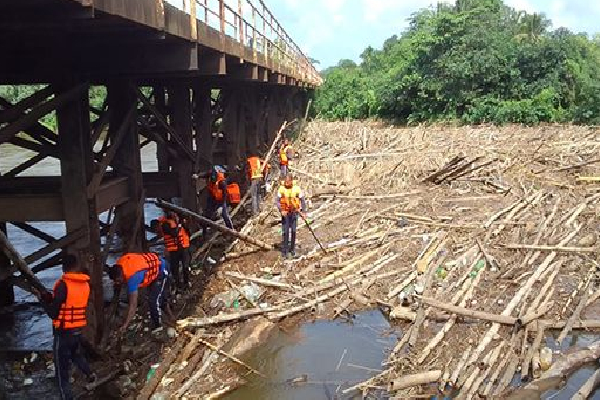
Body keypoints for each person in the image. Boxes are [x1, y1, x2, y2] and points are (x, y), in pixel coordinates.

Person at [40, 254, 95, 400]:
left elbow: (53, 313)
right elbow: (69, 302)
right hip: (77, 330)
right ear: (77, 266)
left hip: (63, 333)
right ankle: (90, 374)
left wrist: (43, 301)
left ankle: (66, 397)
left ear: (63, 268)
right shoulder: (85, 284)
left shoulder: (63, 285)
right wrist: (50, 298)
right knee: (76, 354)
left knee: (61, 373)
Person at [108, 252, 174, 334]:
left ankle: (158, 326)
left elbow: (133, 305)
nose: (118, 283)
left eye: (118, 281)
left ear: (121, 275)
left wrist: (125, 325)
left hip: (161, 270)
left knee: (153, 300)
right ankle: (171, 317)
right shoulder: (121, 262)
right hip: (152, 270)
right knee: (159, 296)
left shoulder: (133, 278)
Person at [155, 212, 191, 291]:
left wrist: (184, 224)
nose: (175, 216)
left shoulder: (181, 223)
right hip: (173, 250)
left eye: (176, 214)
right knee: (175, 268)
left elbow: (188, 232)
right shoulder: (165, 225)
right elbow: (174, 233)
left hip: (184, 247)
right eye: (174, 214)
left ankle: (186, 282)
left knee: (186, 266)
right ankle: (178, 284)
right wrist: (180, 224)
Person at [276, 174, 307, 259]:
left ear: (291, 181)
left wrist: (303, 212)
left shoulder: (297, 189)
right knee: (285, 231)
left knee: (293, 231)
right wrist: (281, 210)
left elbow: (303, 201)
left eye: (288, 182)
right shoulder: (281, 189)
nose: (286, 183)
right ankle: (285, 250)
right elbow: (277, 201)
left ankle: (292, 249)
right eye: (285, 182)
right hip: (285, 213)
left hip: (294, 212)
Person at [203, 165, 234, 237]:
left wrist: (221, 206)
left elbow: (225, 195)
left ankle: (232, 231)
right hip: (213, 197)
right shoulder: (211, 174)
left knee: (225, 215)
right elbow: (205, 174)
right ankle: (205, 233)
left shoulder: (222, 183)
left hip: (221, 199)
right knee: (207, 213)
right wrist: (197, 176)